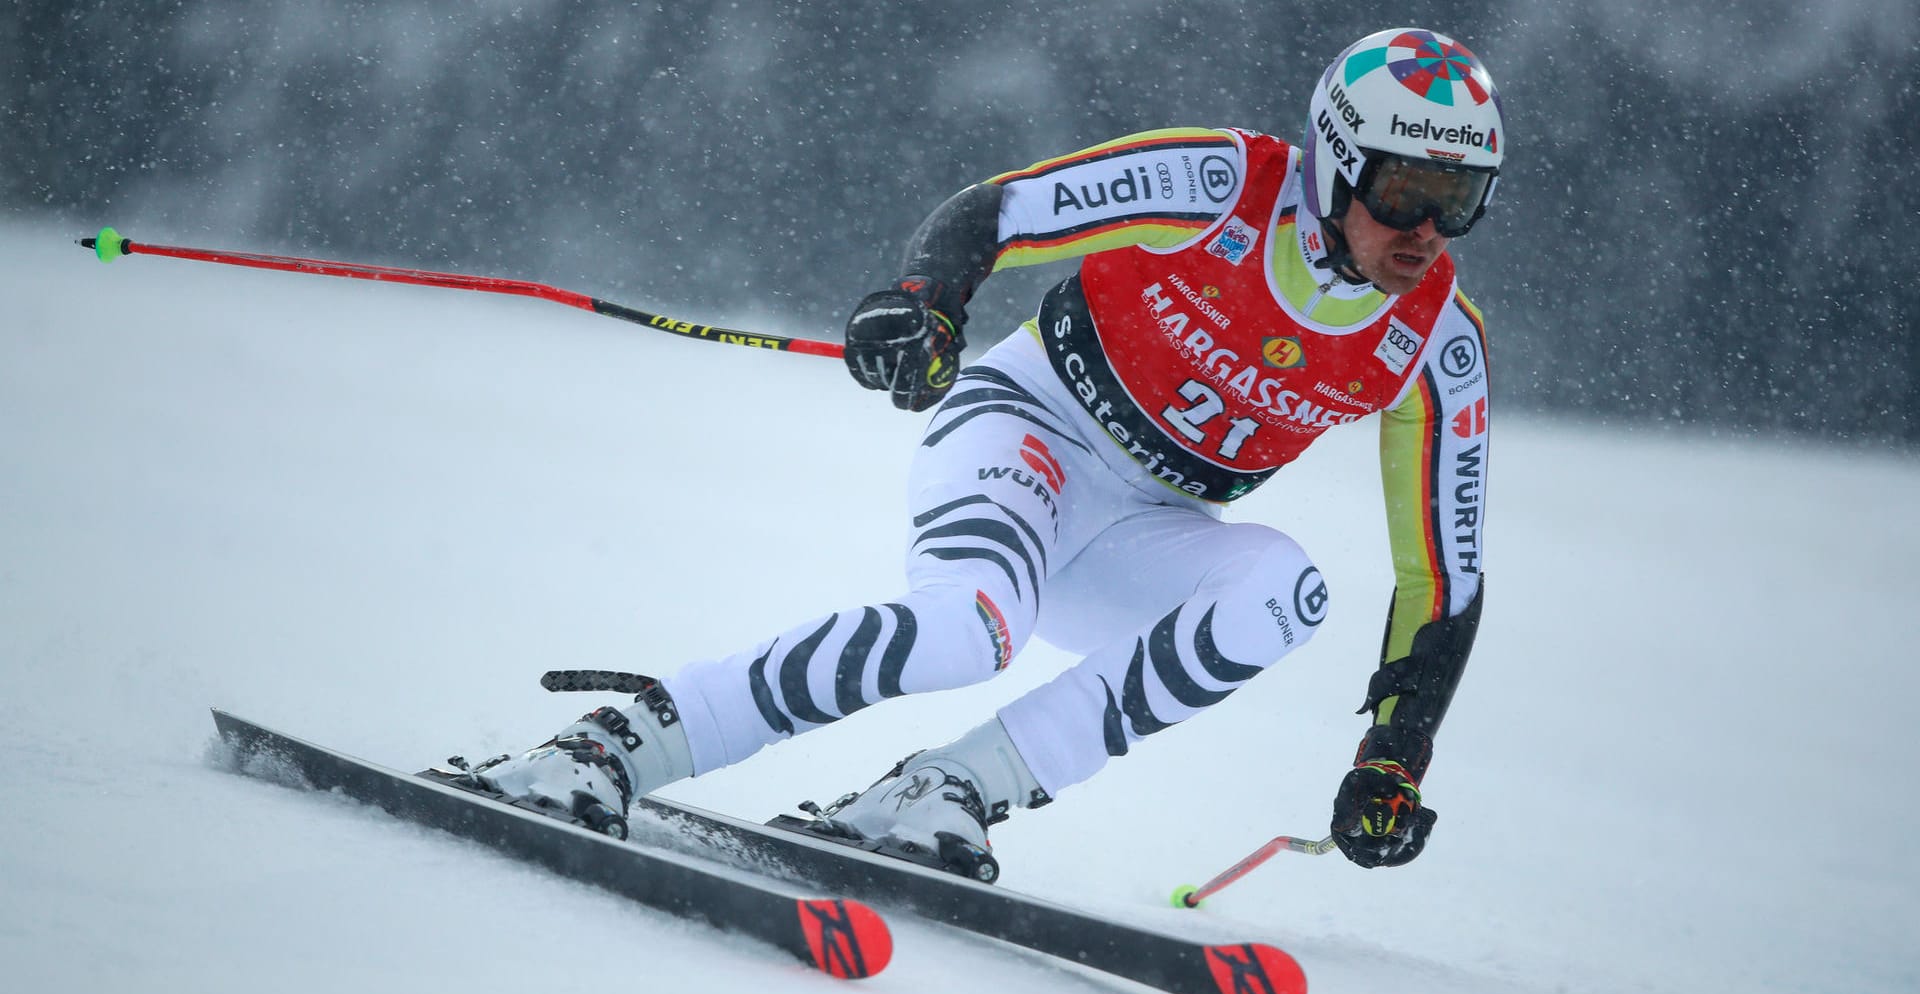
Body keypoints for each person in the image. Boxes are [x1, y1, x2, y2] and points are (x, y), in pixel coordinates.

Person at [453, 27, 1500, 877]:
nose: (1426, 230)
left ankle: (950, 787)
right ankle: (618, 743)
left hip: (1149, 527)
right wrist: (927, 302)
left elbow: (1442, 579)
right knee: (968, 630)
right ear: (1336, 161)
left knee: (1286, 589)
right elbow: (1000, 210)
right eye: (1406, 188)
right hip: (1029, 432)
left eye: (1459, 199)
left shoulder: (1440, 345)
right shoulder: (1222, 183)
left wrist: (1393, 754)